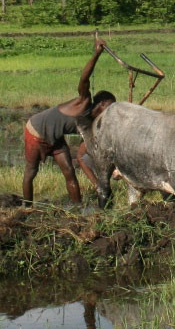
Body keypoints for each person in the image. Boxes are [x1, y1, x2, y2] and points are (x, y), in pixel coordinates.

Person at [23, 39, 116, 205]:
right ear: (101, 104)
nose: (110, 112)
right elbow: (84, 77)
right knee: (31, 172)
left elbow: (83, 153)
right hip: (37, 130)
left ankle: (77, 209)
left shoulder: (94, 125)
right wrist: (97, 54)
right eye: (109, 107)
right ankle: (26, 209)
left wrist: (99, 182)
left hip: (56, 138)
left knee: (69, 172)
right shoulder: (84, 102)